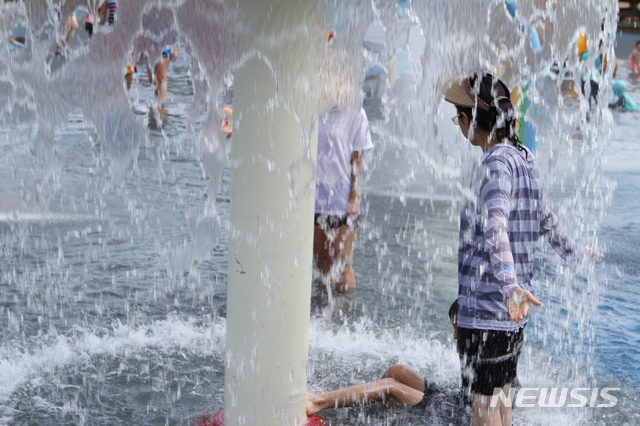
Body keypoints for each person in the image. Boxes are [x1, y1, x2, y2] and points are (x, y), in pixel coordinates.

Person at [444, 73, 602, 426]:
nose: (459, 125)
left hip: (490, 310)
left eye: (459, 118)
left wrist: (509, 286)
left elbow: (495, 226)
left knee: (483, 409)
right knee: (502, 403)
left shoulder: (495, 163)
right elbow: (544, 217)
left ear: (470, 122)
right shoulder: (524, 156)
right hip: (510, 316)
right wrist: (574, 251)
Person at [306, 301, 467, 424]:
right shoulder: (474, 344)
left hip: (455, 413)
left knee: (391, 388)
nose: (454, 336)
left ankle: (317, 402)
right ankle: (378, 410)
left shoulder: (489, 356)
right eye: (453, 327)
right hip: (454, 399)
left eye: (458, 328)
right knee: (397, 371)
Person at [314, 106, 373, 292]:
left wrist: (356, 196)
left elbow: (357, 160)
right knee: (322, 263)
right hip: (313, 198)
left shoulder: (355, 112)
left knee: (343, 264)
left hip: (340, 200)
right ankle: (325, 310)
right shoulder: (310, 108)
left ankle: (346, 312)